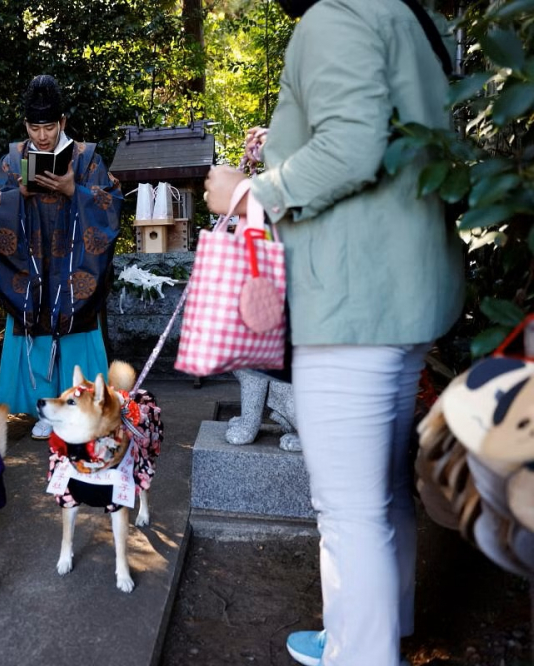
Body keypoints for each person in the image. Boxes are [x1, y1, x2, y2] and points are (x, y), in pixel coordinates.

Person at [204, 1, 465, 665]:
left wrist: (249, 193)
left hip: (354, 299)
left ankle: (360, 652)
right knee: (382, 487)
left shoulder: (335, 14)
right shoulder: (410, 15)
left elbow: (352, 145)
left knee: (349, 511)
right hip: (412, 291)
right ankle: (377, 628)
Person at [0, 74, 123, 439]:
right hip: (31, 265)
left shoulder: (87, 158)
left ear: (62, 122)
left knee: (75, 324)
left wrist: (75, 189)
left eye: (49, 127)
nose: (41, 136)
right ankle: (44, 409)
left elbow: (111, 204)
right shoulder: (12, 161)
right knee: (37, 322)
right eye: (34, 128)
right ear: (26, 124)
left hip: (73, 265)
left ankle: (87, 407)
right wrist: (19, 194)